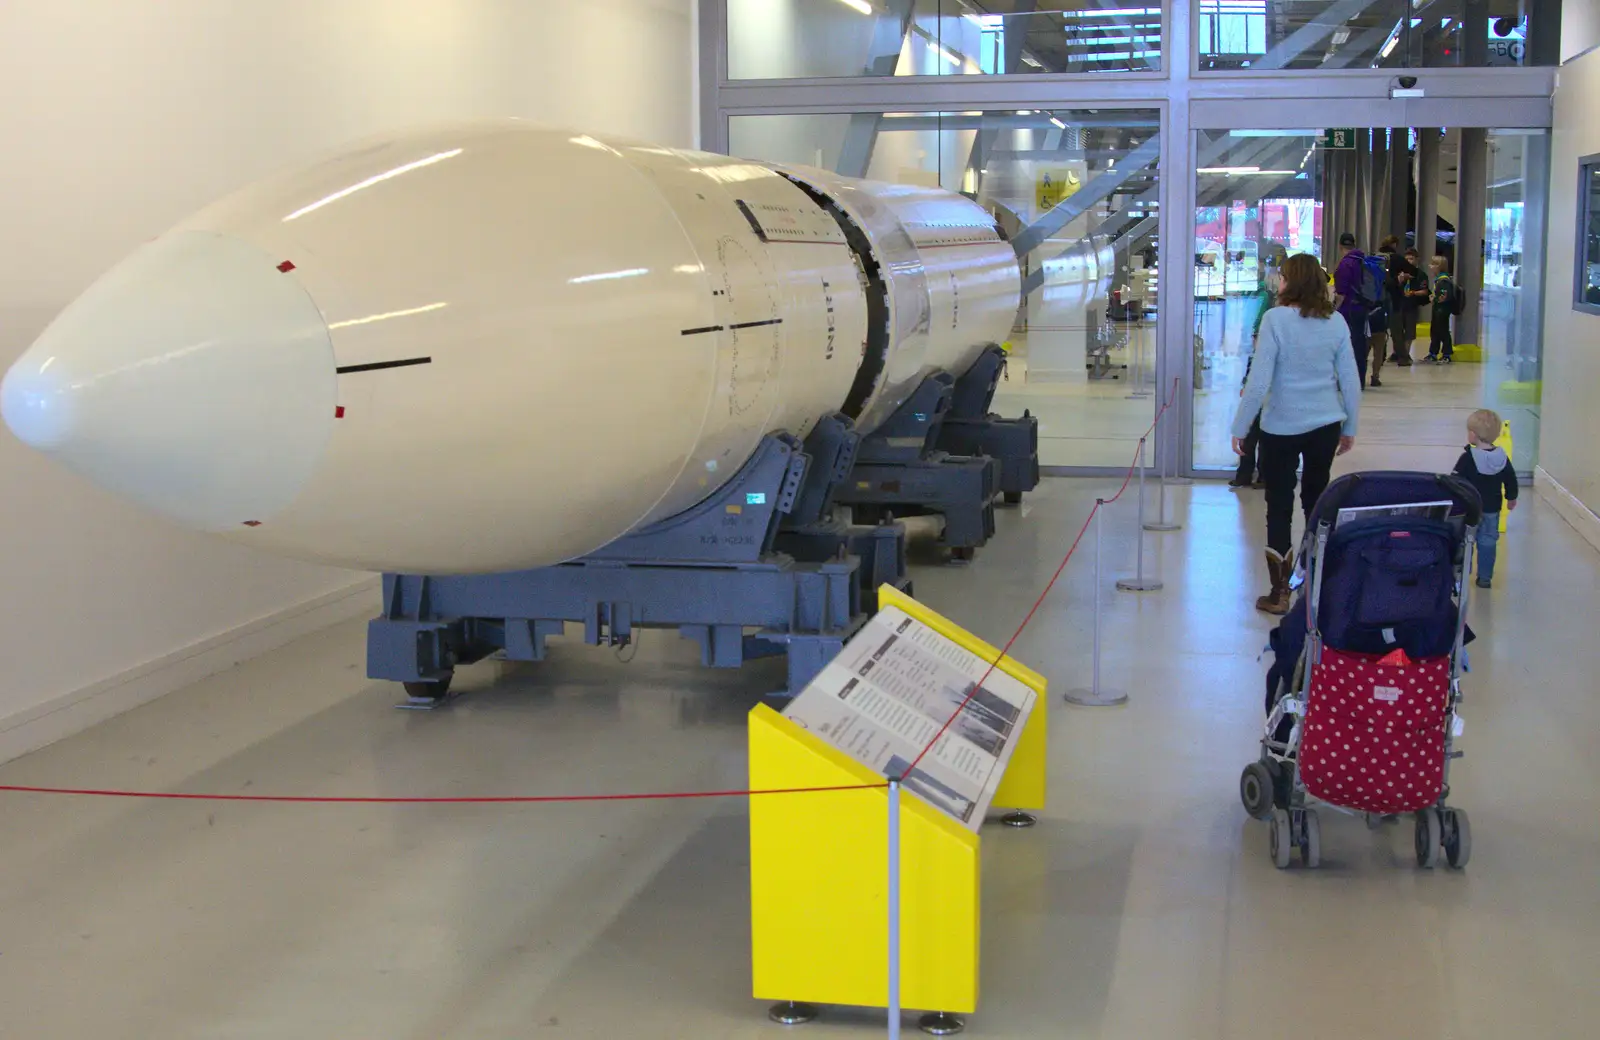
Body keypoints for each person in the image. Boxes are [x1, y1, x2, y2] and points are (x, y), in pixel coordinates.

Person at [1232, 253, 1363, 614]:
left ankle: (1279, 592)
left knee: (1279, 506)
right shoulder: (1336, 322)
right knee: (1317, 500)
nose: (1279, 282)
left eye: (1284, 277)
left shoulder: (1275, 320)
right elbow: (1350, 381)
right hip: (1325, 425)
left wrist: (1240, 427)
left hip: (1280, 427)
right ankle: (1317, 584)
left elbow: (1259, 383)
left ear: (1292, 282)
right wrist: (1349, 426)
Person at [1230, 247, 1287, 490]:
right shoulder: (1267, 302)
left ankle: (1258, 474)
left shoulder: (1272, 311)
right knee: (1255, 431)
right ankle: (1248, 473)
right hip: (1264, 384)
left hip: (1270, 388)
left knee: (1260, 432)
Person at [1454, 409, 1518, 589]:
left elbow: (1456, 481)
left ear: (1473, 435)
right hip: (1492, 509)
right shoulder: (1501, 458)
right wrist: (1511, 498)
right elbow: (1511, 480)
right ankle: (1484, 577)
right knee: (1488, 542)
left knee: (1465, 542)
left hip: (1470, 509)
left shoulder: (1468, 458)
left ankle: (1462, 575)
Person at [1332, 231, 1373, 387]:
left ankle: (1347, 382)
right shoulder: (1363, 260)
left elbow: (1341, 294)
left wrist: (1333, 310)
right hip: (1362, 308)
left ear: (1340, 246)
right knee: (1360, 344)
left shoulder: (1345, 264)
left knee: (1346, 347)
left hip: (1348, 310)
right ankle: (1360, 380)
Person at [1391, 245, 1428, 364]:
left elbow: (1425, 290)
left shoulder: (1420, 275)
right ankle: (1398, 353)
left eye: (1411, 258)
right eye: (1406, 259)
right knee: (1397, 331)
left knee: (1409, 332)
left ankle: (1405, 354)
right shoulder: (1399, 274)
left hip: (1412, 306)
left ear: (1417, 259)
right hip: (1399, 305)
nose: (1408, 261)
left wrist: (1414, 293)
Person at [1425, 254, 1456, 362]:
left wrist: (1436, 298)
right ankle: (1433, 352)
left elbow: (1444, 295)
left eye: (1433, 264)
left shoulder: (1443, 280)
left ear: (1439, 266)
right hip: (1438, 309)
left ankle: (1446, 353)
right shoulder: (1439, 280)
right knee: (1435, 331)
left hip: (1442, 310)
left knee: (1442, 331)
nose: (1430, 266)